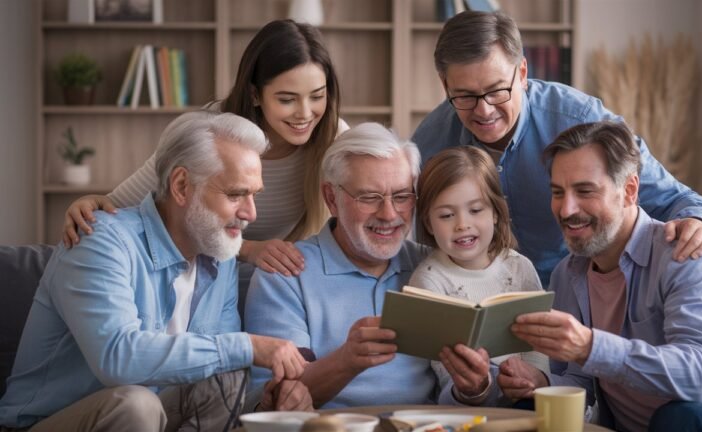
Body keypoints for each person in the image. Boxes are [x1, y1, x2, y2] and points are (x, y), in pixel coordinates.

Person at [0, 111, 309, 431]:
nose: (251, 213)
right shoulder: (99, 240)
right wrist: (249, 346)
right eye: (235, 194)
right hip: (44, 423)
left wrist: (264, 399)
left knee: (227, 375)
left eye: (253, 194)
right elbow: (118, 358)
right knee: (136, 404)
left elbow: (215, 368)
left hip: (153, 416)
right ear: (181, 186)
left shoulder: (220, 254)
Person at [411, 11, 702, 289]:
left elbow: (672, 199)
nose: (483, 111)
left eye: (497, 91)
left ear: (522, 73)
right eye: (465, 96)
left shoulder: (583, 121)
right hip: (478, 297)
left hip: (581, 296)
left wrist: (699, 229)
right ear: (445, 87)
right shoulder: (429, 143)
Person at [499, 121, 702, 431]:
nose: (566, 208)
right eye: (558, 192)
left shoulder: (686, 255)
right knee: (531, 406)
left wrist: (589, 346)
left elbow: (693, 378)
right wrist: (541, 380)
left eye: (585, 191)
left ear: (628, 190)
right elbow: (580, 382)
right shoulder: (567, 274)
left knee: (678, 418)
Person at [61, 19, 348, 278]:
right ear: (254, 94)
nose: (305, 113)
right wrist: (89, 205)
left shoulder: (334, 137)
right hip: (204, 274)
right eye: (287, 99)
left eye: (317, 97)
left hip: (278, 280)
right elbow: (124, 205)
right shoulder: (211, 131)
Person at [245, 123, 466, 408]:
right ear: (331, 198)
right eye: (369, 197)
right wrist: (345, 361)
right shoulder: (284, 273)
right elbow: (273, 402)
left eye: (401, 196)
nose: (389, 214)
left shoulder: (434, 265)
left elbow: (453, 392)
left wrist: (472, 389)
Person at [408, 146, 547, 407]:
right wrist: (479, 384)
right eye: (447, 215)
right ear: (428, 223)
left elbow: (538, 344)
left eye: (475, 210)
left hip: (526, 400)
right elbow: (442, 369)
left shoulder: (520, 268)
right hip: (465, 404)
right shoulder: (428, 281)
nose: (462, 224)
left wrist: (535, 377)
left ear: (495, 211)